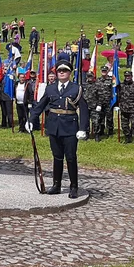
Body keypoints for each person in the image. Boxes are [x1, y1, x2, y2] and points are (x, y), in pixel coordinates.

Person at [26, 60, 89, 199]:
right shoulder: (50, 88)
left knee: (71, 158)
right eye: (59, 70)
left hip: (70, 128)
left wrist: (83, 128)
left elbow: (84, 110)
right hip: (54, 127)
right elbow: (40, 105)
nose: (61, 72)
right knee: (57, 157)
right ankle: (56, 185)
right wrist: (31, 120)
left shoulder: (76, 88)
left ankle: (73, 187)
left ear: (69, 73)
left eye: (65, 70)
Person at [117, 70, 134, 144]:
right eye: (126, 76)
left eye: (128, 76)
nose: (127, 77)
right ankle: (127, 138)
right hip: (124, 109)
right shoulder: (121, 85)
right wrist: (117, 105)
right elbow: (118, 96)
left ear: (131, 76)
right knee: (124, 125)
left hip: (133, 109)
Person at [97, 66, 115, 135]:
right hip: (100, 102)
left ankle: (110, 131)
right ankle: (101, 130)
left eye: (105, 71)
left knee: (109, 118)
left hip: (109, 102)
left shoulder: (111, 80)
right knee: (101, 118)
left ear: (107, 71)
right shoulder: (98, 80)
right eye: (103, 71)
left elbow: (114, 90)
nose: (104, 72)